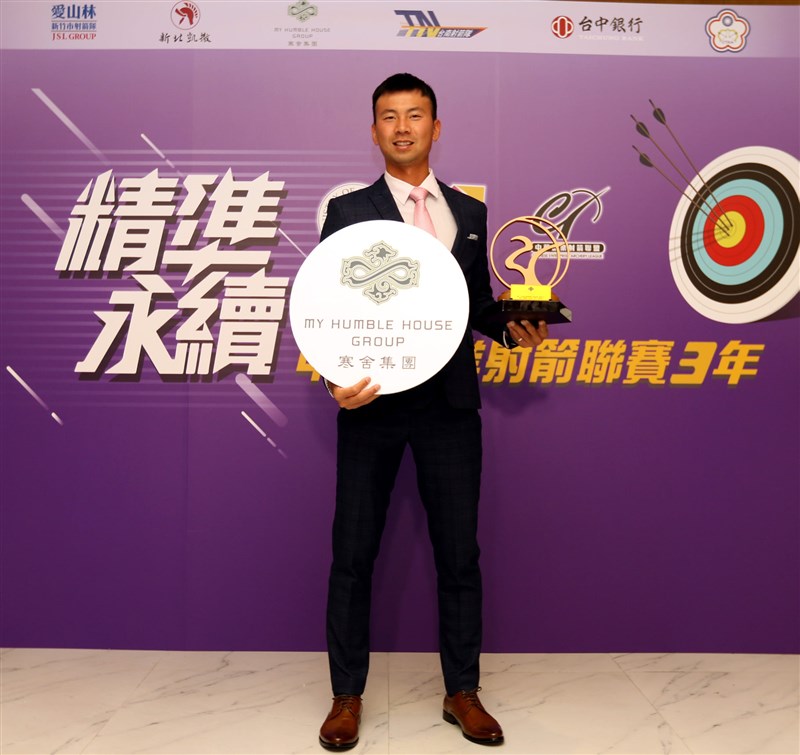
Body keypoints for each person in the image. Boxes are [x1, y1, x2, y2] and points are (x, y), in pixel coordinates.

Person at [317, 73, 548, 750]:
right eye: (389, 116)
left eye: (414, 115)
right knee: (352, 554)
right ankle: (346, 695)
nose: (402, 127)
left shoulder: (468, 213)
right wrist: (334, 379)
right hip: (371, 404)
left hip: (449, 406)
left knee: (459, 554)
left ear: (435, 127)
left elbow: (470, 307)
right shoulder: (349, 211)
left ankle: (462, 691)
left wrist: (515, 330)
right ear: (374, 131)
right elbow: (326, 307)